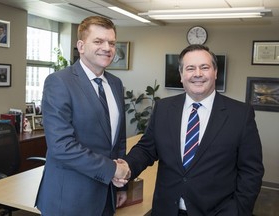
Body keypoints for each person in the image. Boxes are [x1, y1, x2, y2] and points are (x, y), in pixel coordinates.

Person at [123, 44, 264, 216]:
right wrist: (126, 167)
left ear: (215, 72)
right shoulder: (163, 109)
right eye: (190, 68)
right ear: (182, 75)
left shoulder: (240, 114)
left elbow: (251, 171)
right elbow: (146, 149)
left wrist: (238, 211)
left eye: (204, 67)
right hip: (166, 210)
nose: (198, 74)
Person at [35, 16, 130, 216]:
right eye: (98, 41)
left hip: (107, 195)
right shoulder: (59, 82)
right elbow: (61, 146)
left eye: (111, 43)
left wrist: (120, 186)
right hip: (69, 199)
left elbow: (118, 140)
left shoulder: (115, 84)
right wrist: (112, 170)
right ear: (81, 46)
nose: (107, 48)